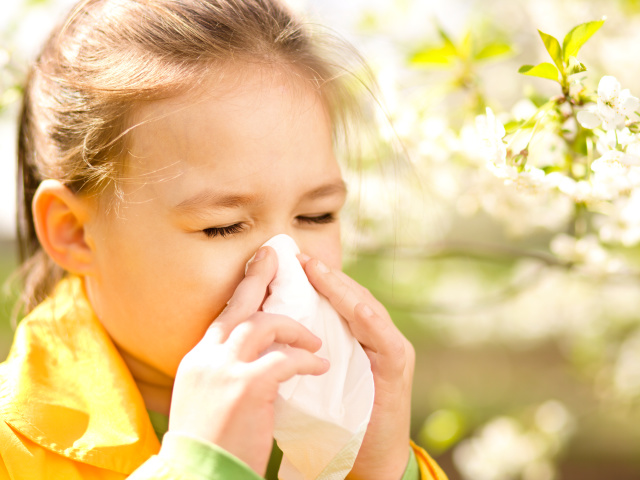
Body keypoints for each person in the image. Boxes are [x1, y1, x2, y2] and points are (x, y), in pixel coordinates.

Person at [0, 0, 448, 479]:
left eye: (316, 216)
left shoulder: (334, 421)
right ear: (75, 234)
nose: (285, 269)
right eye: (223, 226)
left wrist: (379, 468)